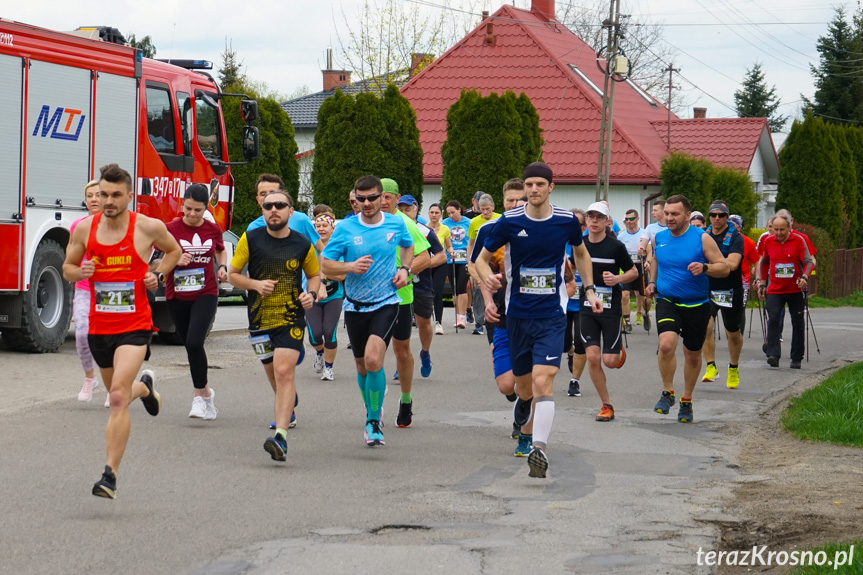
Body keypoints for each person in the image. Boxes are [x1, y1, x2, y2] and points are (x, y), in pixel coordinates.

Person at [476, 162, 602, 479]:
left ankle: (538, 448)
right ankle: (523, 403)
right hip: (517, 315)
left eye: (539, 184)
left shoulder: (565, 221)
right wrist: (488, 278)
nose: (533, 190)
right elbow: (478, 259)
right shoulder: (508, 221)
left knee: (543, 380)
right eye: (529, 184)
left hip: (551, 314)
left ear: (550, 187)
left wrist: (590, 290)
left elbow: (581, 254)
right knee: (523, 384)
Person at [63, 163, 182, 499]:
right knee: (122, 395)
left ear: (129, 196)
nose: (108, 200)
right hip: (100, 328)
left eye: (115, 195)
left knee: (116, 396)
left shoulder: (148, 227)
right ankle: (144, 389)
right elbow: (68, 268)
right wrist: (79, 270)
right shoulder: (85, 230)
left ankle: (109, 476)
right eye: (103, 194)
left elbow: (174, 251)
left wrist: (156, 273)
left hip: (134, 325)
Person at [320, 175, 414, 447]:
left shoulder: (396, 223)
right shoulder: (346, 228)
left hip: (386, 302)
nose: (367, 203)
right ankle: (374, 408)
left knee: (374, 360)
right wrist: (350, 267)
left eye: (372, 198)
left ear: (382, 197)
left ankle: (373, 420)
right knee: (361, 366)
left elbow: (407, 246)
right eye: (360, 199)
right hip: (354, 306)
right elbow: (326, 265)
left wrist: (404, 270)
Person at [228, 190, 320, 462]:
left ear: (291, 211)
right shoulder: (250, 238)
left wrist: (311, 295)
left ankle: (280, 436)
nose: (273, 210)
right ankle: (288, 401)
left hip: (290, 317)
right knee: (274, 375)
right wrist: (255, 284)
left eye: (280, 205)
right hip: (259, 319)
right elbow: (233, 276)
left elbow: (314, 275)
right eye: (268, 206)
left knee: (283, 370)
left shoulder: (302, 243)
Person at [644, 195, 729, 424]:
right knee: (666, 344)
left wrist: (705, 267)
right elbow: (656, 261)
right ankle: (667, 392)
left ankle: (687, 399)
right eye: (667, 213)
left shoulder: (702, 238)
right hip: (668, 300)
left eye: (675, 214)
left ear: (687, 215)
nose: (669, 218)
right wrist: (652, 282)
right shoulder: (659, 238)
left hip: (697, 304)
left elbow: (724, 268)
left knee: (692, 354)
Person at [472, 193, 542, 457]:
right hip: (503, 318)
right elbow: (480, 270)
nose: (516, 208)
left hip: (538, 320)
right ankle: (520, 403)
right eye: (512, 203)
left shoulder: (547, 238)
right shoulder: (496, 236)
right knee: (505, 384)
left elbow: (567, 279)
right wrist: (489, 300)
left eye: (521, 204)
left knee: (533, 380)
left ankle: (527, 435)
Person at [163, 184, 227, 419]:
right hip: (177, 294)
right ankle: (208, 393)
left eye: (197, 210)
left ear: (204, 209)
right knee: (189, 345)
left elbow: (220, 250)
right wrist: (175, 259)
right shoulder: (169, 229)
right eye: (188, 208)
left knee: (193, 342)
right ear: (182, 205)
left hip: (206, 292)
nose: (191, 214)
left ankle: (198, 398)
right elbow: (158, 259)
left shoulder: (213, 229)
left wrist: (222, 267)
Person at [380, 180, 431, 428]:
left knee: (401, 352)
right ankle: (375, 406)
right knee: (372, 354)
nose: (384, 201)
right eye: (381, 196)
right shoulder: (366, 222)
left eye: (389, 197)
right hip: (373, 299)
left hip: (401, 297)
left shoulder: (405, 223)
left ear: (396, 197)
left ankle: (406, 400)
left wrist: (405, 272)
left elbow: (425, 256)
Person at [579, 202, 637, 422]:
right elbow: (572, 267)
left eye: (599, 217)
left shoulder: (615, 246)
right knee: (593, 357)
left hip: (610, 308)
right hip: (587, 308)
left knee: (610, 361)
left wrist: (618, 279)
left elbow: (633, 271)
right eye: (590, 217)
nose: (594, 221)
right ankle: (606, 405)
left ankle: (617, 352)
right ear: (586, 220)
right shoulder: (580, 245)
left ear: (606, 222)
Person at [757, 214, 813, 369]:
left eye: (782, 229)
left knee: (797, 322)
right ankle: (773, 354)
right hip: (775, 289)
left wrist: (805, 277)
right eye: (776, 229)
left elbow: (808, 261)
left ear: (789, 228)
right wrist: (762, 283)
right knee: (774, 319)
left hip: (795, 288)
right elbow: (764, 262)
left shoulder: (798, 241)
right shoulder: (769, 241)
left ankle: (796, 358)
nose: (779, 233)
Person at [398, 196, 446, 380]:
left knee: (424, 324)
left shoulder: (424, 231)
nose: (404, 213)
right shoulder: (393, 228)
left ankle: (425, 353)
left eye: (407, 209)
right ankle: (402, 361)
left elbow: (441, 256)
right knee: (401, 328)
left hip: (421, 284)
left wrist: (421, 264)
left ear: (416, 209)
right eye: (400, 209)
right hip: (400, 286)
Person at [700, 201, 745, 389]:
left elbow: (732, 265)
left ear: (727, 217)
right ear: (709, 217)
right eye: (713, 215)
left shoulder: (736, 237)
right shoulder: (702, 235)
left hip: (730, 290)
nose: (717, 218)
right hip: (707, 289)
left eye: (721, 215)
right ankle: (711, 366)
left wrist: (706, 266)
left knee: (732, 332)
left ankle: (733, 368)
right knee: (705, 327)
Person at [72, 180, 104, 403]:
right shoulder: (78, 226)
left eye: (98, 195)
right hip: (84, 289)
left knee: (109, 339)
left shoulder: (120, 225)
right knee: (82, 334)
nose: (94, 199)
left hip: (111, 289)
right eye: (89, 196)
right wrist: (78, 269)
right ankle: (90, 378)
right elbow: (70, 260)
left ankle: (114, 386)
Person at [308, 211, 344, 381]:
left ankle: (329, 368)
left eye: (324, 226)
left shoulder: (338, 247)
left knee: (329, 333)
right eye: (317, 226)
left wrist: (326, 276)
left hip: (333, 295)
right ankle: (319, 353)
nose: (321, 229)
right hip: (311, 296)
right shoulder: (308, 247)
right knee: (314, 335)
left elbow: (343, 275)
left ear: (332, 228)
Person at [247, 174, 323, 253]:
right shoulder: (253, 228)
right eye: (263, 194)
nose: (268, 197)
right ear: (258, 199)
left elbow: (322, 251)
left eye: (272, 192)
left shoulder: (301, 220)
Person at [466, 193, 500, 338]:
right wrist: (469, 261)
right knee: (479, 290)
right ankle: (479, 323)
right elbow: (471, 243)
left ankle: (498, 320)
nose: (485, 212)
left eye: (487, 209)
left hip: (497, 260)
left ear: (493, 207)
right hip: (480, 260)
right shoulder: (474, 222)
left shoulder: (500, 219)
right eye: (482, 209)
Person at [565, 209, 588, 398]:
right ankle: (570, 353)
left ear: (584, 226)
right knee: (565, 344)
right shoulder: (559, 241)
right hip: (564, 301)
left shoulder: (588, 243)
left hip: (583, 302)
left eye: (578, 225)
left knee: (581, 341)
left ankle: (575, 381)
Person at [617, 208, 648, 333]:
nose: (629, 221)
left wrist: (644, 254)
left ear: (637, 219)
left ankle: (643, 313)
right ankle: (628, 322)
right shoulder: (621, 236)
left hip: (640, 266)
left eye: (632, 219)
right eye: (627, 219)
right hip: (627, 268)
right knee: (624, 295)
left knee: (643, 296)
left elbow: (650, 250)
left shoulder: (644, 233)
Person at [443, 200, 472, 328]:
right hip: (451, 259)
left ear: (459, 209)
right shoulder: (445, 223)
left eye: (453, 212)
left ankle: (462, 317)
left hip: (464, 259)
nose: (451, 215)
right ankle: (458, 315)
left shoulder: (468, 222)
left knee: (462, 286)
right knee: (454, 289)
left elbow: (472, 241)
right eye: (448, 213)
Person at [427, 203, 452, 335]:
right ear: (428, 214)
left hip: (441, 263)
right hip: (426, 263)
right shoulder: (423, 228)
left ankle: (438, 322)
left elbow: (448, 246)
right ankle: (421, 319)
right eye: (432, 212)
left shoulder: (445, 229)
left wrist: (452, 252)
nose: (434, 215)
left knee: (437, 292)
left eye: (437, 212)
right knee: (424, 293)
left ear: (441, 214)